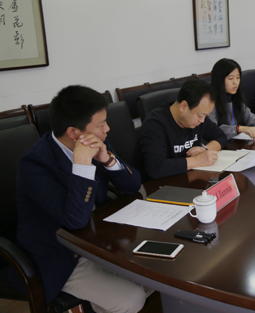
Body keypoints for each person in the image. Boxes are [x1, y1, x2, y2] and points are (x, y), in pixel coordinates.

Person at [11, 85, 148, 313]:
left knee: (156, 276)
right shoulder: (35, 165)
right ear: (74, 133)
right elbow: (74, 221)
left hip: (97, 238)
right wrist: (82, 165)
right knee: (131, 299)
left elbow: (133, 185)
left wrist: (108, 161)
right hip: (61, 254)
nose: (107, 128)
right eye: (101, 125)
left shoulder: (94, 142)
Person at [135, 79, 227, 181]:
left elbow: (221, 136)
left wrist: (205, 149)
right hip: (161, 185)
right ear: (183, 107)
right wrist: (197, 160)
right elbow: (156, 168)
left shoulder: (199, 119)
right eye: (201, 115)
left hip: (188, 178)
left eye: (206, 116)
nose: (202, 120)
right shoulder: (155, 124)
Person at [208, 58, 255, 140]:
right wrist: (238, 129)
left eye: (238, 78)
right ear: (219, 80)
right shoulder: (209, 102)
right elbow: (211, 130)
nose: (235, 82)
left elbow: (249, 117)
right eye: (230, 78)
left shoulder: (234, 98)